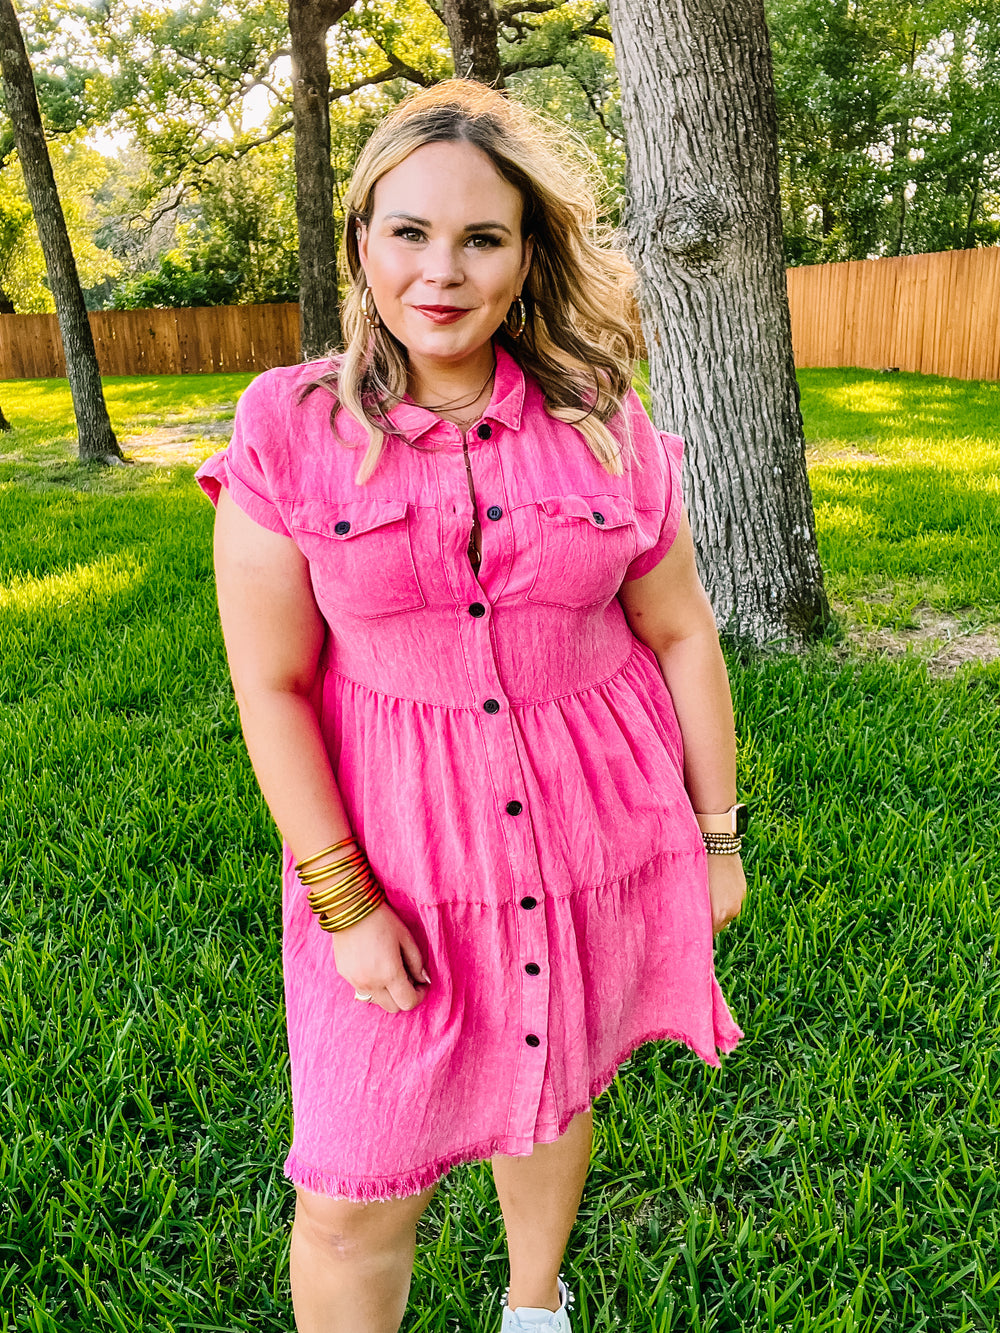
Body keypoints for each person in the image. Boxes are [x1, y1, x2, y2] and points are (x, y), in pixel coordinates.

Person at [196, 78, 745, 1333]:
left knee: (549, 1087)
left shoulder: (604, 423)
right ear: (361, 243)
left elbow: (681, 629)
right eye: (409, 231)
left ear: (525, 256)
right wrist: (344, 899)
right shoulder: (288, 427)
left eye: (481, 237)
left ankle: (533, 1305)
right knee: (348, 1190)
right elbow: (270, 682)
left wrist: (714, 838)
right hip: (400, 861)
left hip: (593, 836)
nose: (440, 270)